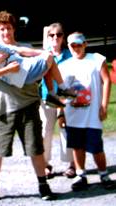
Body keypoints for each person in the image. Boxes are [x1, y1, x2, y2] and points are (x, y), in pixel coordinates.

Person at [0, 10, 58, 203]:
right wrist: (0, 67)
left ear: (13, 29)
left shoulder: (25, 48)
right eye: (2, 29)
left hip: (28, 104)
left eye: (9, 28)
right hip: (0, 108)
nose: (6, 33)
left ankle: (43, 185)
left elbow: (42, 68)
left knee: (36, 148)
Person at [0, 22, 76, 108]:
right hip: (24, 74)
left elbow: (20, 50)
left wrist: (41, 52)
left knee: (48, 59)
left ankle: (52, 95)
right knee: (49, 58)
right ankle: (60, 89)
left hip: (26, 68)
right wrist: (2, 67)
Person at [59, 31, 115, 191]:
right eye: (72, 45)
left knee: (96, 146)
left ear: (85, 44)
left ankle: (104, 174)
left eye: (79, 44)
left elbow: (106, 80)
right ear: (68, 46)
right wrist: (61, 113)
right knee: (77, 146)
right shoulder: (64, 66)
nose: (76, 47)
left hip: (92, 114)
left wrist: (104, 105)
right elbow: (62, 92)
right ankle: (80, 175)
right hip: (73, 113)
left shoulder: (96, 59)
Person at [39, 22, 76, 178]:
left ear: (63, 37)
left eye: (59, 35)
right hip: (46, 98)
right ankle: (45, 164)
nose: (55, 38)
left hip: (66, 99)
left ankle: (71, 165)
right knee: (45, 131)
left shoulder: (69, 55)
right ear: (47, 37)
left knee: (66, 130)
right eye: (52, 35)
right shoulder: (43, 54)